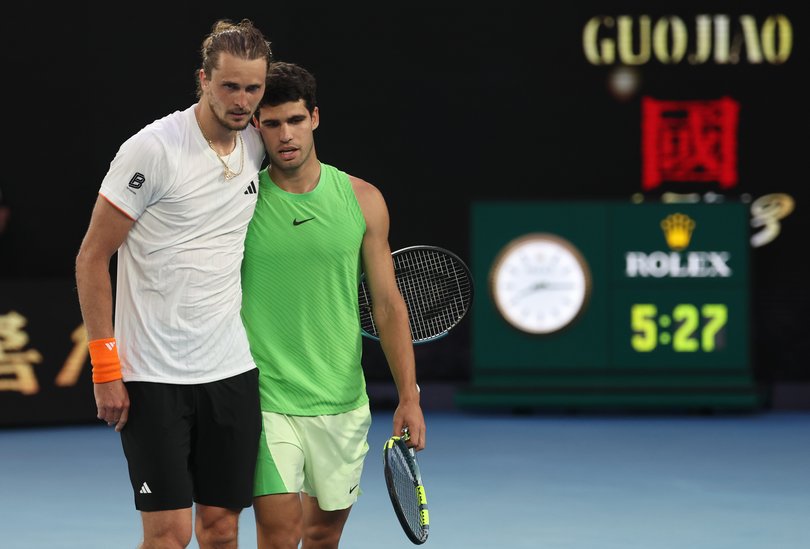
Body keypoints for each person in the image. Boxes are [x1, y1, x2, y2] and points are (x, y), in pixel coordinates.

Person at [74, 19, 273, 549]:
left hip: (231, 371)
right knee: (167, 536)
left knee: (222, 530)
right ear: (203, 79)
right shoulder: (153, 149)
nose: (242, 100)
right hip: (152, 376)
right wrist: (105, 368)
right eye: (230, 86)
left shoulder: (258, 144)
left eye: (253, 88)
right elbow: (92, 259)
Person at [242, 61, 426, 549]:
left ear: (315, 118)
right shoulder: (240, 203)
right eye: (273, 123)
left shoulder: (363, 200)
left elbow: (387, 305)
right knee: (279, 533)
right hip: (265, 398)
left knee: (323, 535)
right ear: (256, 126)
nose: (286, 135)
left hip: (341, 400)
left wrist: (409, 395)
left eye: (295, 120)